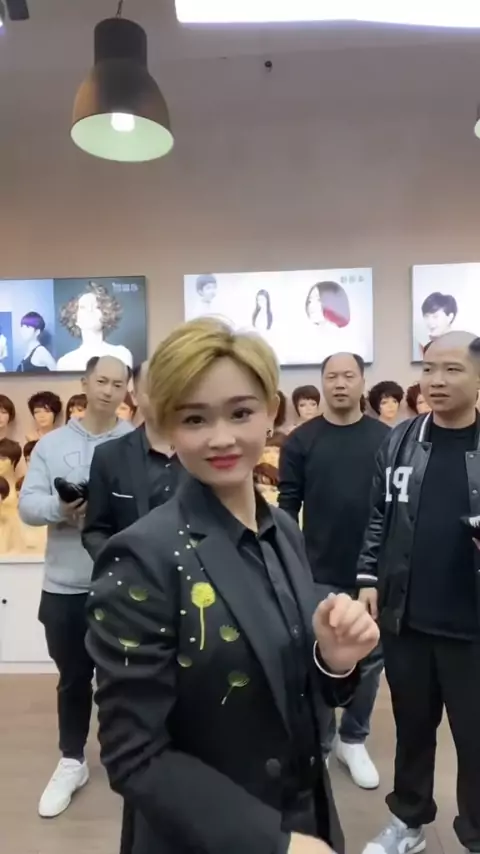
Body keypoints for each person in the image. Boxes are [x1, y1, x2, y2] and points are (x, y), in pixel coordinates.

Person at [85, 318, 380, 854]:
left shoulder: (283, 530)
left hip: (307, 814)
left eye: (241, 413)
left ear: (270, 411)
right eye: (195, 418)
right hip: (210, 836)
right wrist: (273, 844)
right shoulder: (143, 556)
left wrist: (333, 661)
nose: (221, 438)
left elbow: (290, 690)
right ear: (168, 426)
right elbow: (134, 754)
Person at [358, 331, 480, 854]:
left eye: (452, 369)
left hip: (472, 627)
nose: (436, 380)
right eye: (429, 369)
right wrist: (367, 577)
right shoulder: (401, 440)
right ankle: (407, 822)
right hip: (407, 617)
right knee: (411, 730)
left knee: (476, 740)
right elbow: (378, 515)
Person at [18, 355, 133, 819]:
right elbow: (28, 507)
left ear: (127, 390)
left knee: (124, 677)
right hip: (64, 585)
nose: (108, 390)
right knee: (72, 678)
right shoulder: (51, 445)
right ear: (85, 383)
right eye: (101, 380)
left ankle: (127, 756)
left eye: (118, 383)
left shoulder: (135, 443)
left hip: (124, 585)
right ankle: (72, 760)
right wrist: (63, 509)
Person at [279, 353, 388, 789]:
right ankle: (321, 742)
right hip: (317, 568)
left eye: (348, 376)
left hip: (372, 572)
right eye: (331, 376)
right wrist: (289, 566)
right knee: (318, 656)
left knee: (371, 657)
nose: (339, 383)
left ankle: (353, 739)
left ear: (362, 381)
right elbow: (287, 507)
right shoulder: (301, 440)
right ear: (322, 382)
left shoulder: (387, 438)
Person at [82, 361, 183, 561]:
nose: (163, 396)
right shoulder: (109, 456)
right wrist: (122, 566)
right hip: (133, 574)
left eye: (170, 387)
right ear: (134, 396)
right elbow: (95, 531)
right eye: (154, 388)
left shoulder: (204, 450)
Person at [56, 282, 133, 371]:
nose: (90, 310)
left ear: (105, 314)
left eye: (96, 307)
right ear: (75, 318)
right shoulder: (65, 362)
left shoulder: (121, 354)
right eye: (83, 307)